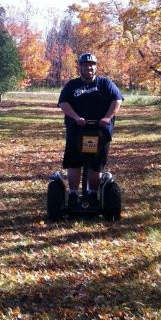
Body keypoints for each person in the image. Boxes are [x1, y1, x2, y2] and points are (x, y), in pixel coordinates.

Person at [57, 53, 123, 206]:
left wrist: (107, 118)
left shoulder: (105, 84)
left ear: (96, 66)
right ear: (79, 67)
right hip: (76, 130)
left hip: (100, 131)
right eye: (85, 64)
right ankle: (73, 194)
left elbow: (117, 100)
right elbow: (63, 103)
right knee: (74, 162)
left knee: (96, 163)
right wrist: (75, 117)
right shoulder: (72, 85)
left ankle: (93, 194)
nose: (89, 67)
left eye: (92, 64)